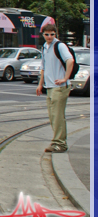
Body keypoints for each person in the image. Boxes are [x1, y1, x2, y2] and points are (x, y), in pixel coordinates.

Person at [36, 23, 74, 153]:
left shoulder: (60, 46)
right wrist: (40, 84)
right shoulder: (45, 47)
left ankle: (60, 144)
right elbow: (43, 68)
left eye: (52, 34)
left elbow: (70, 60)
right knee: (53, 116)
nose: (49, 36)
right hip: (50, 87)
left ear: (55, 34)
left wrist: (65, 78)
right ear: (43, 35)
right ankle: (57, 142)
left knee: (57, 116)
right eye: (47, 34)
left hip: (60, 87)